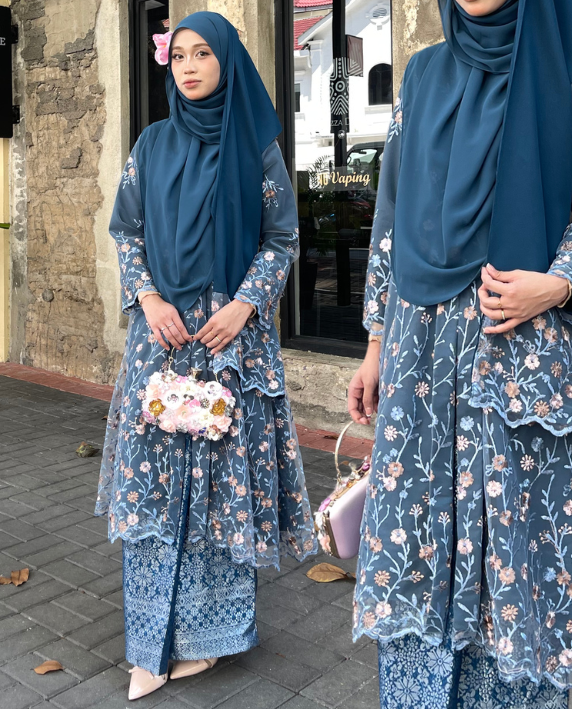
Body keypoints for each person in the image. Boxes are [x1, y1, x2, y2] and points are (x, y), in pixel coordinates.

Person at [347, 0, 572, 706]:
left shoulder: (563, 70)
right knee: (418, 544)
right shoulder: (423, 74)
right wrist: (375, 343)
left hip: (522, 356)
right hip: (422, 360)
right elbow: (390, 216)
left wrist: (557, 283)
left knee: (516, 550)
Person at [95, 12, 317, 701]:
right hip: (161, 340)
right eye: (179, 56)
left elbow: (281, 238)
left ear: (226, 62)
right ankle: (150, 643)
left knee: (220, 490)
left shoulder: (256, 147)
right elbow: (126, 230)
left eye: (202, 54)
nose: (188, 67)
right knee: (155, 487)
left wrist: (245, 305)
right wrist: (147, 298)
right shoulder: (152, 144)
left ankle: (209, 638)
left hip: (228, 344)